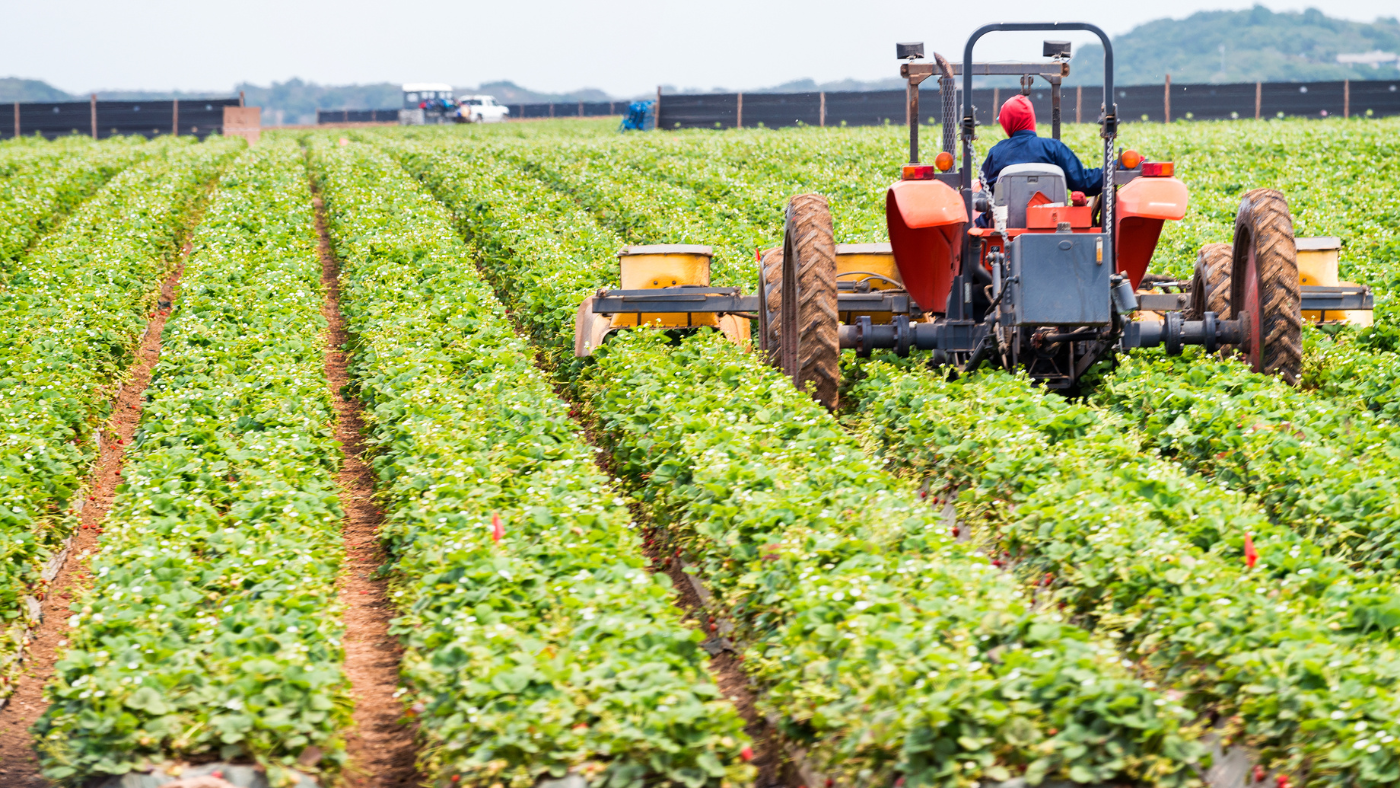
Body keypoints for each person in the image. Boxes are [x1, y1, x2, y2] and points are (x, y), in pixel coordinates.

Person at [979, 93, 1104, 199]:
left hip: (1004, 225)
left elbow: (986, 189)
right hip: (1053, 224)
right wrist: (1115, 166)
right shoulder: (1054, 149)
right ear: (1031, 118)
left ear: (1007, 122)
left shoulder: (996, 153)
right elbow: (1084, 183)